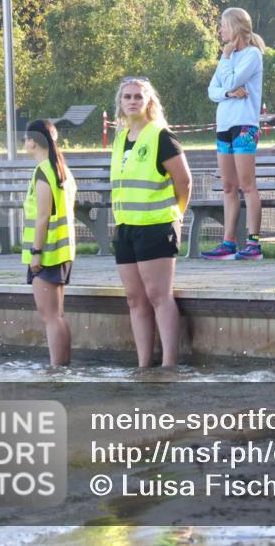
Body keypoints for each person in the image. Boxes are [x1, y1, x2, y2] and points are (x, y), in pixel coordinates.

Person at [110, 77, 192, 367]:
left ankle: (169, 365)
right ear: (120, 103)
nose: (132, 101)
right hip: (126, 228)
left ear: (149, 102)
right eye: (127, 97)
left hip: (156, 226)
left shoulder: (161, 136)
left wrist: (176, 214)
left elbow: (184, 181)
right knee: (135, 299)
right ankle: (144, 365)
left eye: (138, 97)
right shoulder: (121, 139)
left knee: (159, 295)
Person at [201, 7, 266, 261]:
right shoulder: (226, 57)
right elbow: (213, 90)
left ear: (236, 28)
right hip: (224, 125)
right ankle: (228, 243)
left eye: (223, 26)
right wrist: (228, 93)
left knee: (247, 185)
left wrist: (227, 71)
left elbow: (228, 81)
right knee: (228, 186)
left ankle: (254, 244)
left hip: (244, 126)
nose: (220, 30)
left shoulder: (252, 55)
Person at [22, 120, 77, 366]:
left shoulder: (44, 171)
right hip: (62, 250)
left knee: (50, 316)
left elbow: (43, 215)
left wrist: (36, 253)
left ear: (33, 141)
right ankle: (63, 368)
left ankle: (56, 370)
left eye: (25, 139)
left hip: (47, 253)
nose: (25, 143)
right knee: (57, 315)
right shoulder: (60, 168)